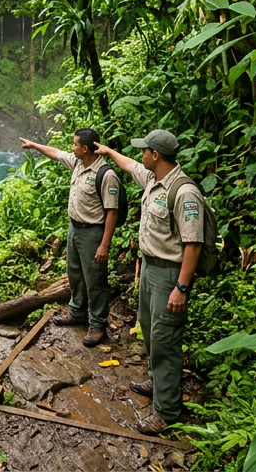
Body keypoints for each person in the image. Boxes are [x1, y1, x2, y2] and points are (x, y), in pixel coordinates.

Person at [94, 130, 203, 436]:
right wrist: (108, 152)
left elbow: (193, 243)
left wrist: (181, 287)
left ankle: (167, 411)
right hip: (151, 269)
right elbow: (130, 165)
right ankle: (157, 381)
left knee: (165, 338)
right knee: (150, 329)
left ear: (156, 155)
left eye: (145, 151)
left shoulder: (183, 193)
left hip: (170, 273)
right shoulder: (154, 180)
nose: (141, 155)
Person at [19, 129, 120, 347]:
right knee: (74, 272)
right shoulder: (77, 163)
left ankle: (98, 325)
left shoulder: (105, 174)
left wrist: (105, 244)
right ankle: (77, 312)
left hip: (93, 231)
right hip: (74, 227)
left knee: (95, 279)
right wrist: (35, 145)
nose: (71, 148)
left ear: (85, 148)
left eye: (74, 144)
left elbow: (112, 212)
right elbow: (56, 153)